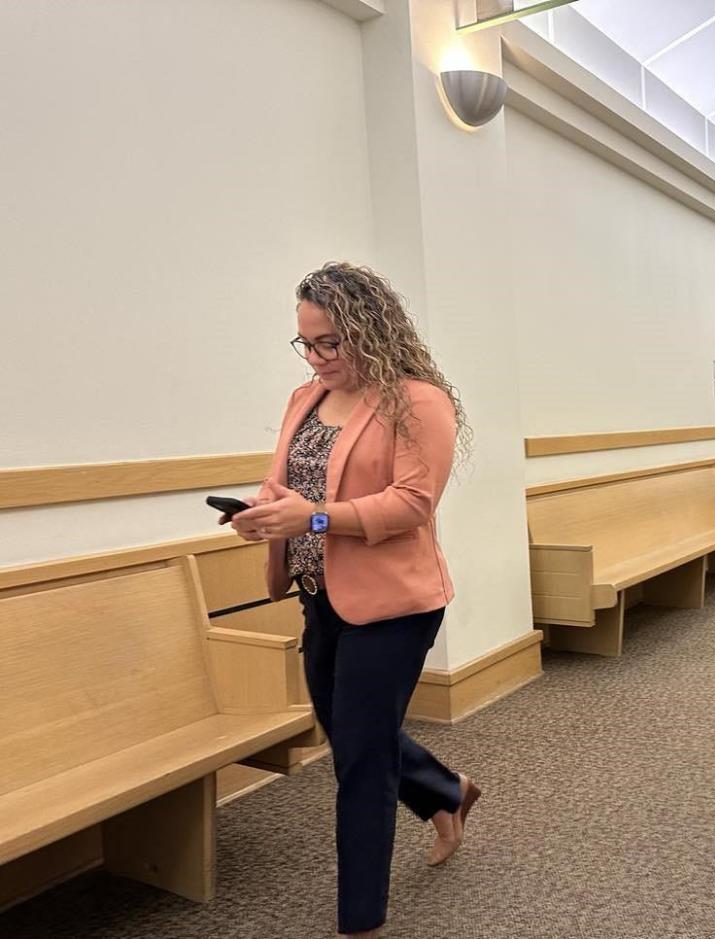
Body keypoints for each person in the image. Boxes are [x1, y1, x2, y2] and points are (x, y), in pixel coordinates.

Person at [229, 262, 481, 939]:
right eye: (305, 343)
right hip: (319, 595)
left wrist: (310, 518)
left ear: (370, 330)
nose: (316, 358)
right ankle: (445, 790)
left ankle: (359, 921)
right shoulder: (304, 397)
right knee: (351, 731)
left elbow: (411, 503)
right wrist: (263, 508)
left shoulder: (417, 401)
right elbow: (288, 480)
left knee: (360, 762)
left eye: (330, 343)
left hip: (395, 603)